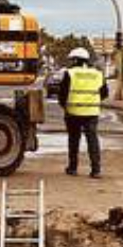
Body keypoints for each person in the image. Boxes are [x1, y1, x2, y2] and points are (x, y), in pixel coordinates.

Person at [51, 46, 106, 178]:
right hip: (92, 112)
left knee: (74, 140)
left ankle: (73, 168)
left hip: (73, 112)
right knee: (92, 140)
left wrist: (64, 106)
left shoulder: (70, 73)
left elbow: (62, 93)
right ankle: (96, 170)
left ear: (75, 60)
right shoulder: (97, 74)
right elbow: (104, 93)